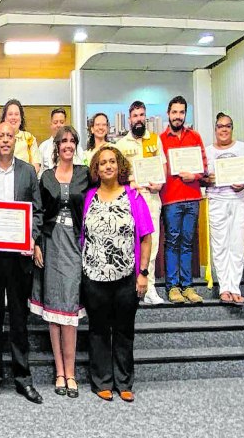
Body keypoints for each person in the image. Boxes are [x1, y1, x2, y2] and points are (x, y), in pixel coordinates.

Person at [0, 122, 44, 405]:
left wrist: (31, 237)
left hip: (18, 259)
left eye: (9, 136)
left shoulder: (28, 172)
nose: (5, 140)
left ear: (16, 141)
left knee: (18, 319)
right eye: (0, 136)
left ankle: (22, 378)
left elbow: (37, 212)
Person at [81, 146, 153, 403]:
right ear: (96, 169)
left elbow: (145, 238)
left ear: (119, 166)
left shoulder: (134, 197)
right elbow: (83, 237)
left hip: (125, 278)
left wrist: (143, 273)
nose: (108, 166)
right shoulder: (89, 197)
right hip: (93, 277)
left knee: (124, 331)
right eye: (103, 163)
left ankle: (124, 382)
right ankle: (101, 381)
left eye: (112, 161)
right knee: (98, 331)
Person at [30, 125, 89, 398]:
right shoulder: (46, 178)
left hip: (76, 245)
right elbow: (39, 214)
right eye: (63, 141)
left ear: (76, 145)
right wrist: (37, 244)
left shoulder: (85, 175)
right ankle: (59, 373)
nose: (67, 145)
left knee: (70, 309)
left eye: (71, 141)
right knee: (54, 310)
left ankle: (72, 372)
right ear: (56, 146)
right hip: (51, 245)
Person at [204, 113, 244, 306]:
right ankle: (224, 288)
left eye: (227, 126)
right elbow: (202, 178)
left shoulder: (243, 148)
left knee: (236, 244)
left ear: (232, 128)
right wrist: (207, 178)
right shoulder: (208, 151)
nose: (224, 130)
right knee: (220, 245)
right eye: (220, 126)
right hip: (217, 200)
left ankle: (235, 288)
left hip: (238, 200)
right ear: (216, 129)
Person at [116, 101, 166, 305]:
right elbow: (118, 174)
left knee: (151, 244)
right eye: (135, 115)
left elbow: (162, 166)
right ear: (129, 119)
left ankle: (150, 288)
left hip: (152, 196)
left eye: (141, 115)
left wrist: (159, 183)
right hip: (132, 198)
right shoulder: (121, 144)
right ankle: (131, 287)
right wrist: (131, 182)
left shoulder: (154, 140)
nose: (138, 119)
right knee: (130, 243)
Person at [159, 95, 207, 304]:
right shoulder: (160, 139)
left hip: (192, 197)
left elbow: (204, 166)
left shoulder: (195, 137)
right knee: (172, 242)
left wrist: (195, 176)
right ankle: (172, 287)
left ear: (185, 114)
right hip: (171, 198)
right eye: (174, 112)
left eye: (181, 112)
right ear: (168, 114)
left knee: (188, 243)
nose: (178, 116)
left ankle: (187, 286)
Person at [38, 108, 84, 177]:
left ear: (65, 124)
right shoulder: (43, 147)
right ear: (51, 125)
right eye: (55, 122)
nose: (58, 125)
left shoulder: (75, 147)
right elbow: (40, 173)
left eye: (61, 122)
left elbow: (81, 168)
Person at [0, 98, 41, 175]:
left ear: (21, 118)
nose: (13, 117)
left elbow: (36, 165)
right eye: (10, 114)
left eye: (16, 114)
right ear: (4, 118)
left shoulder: (29, 138)